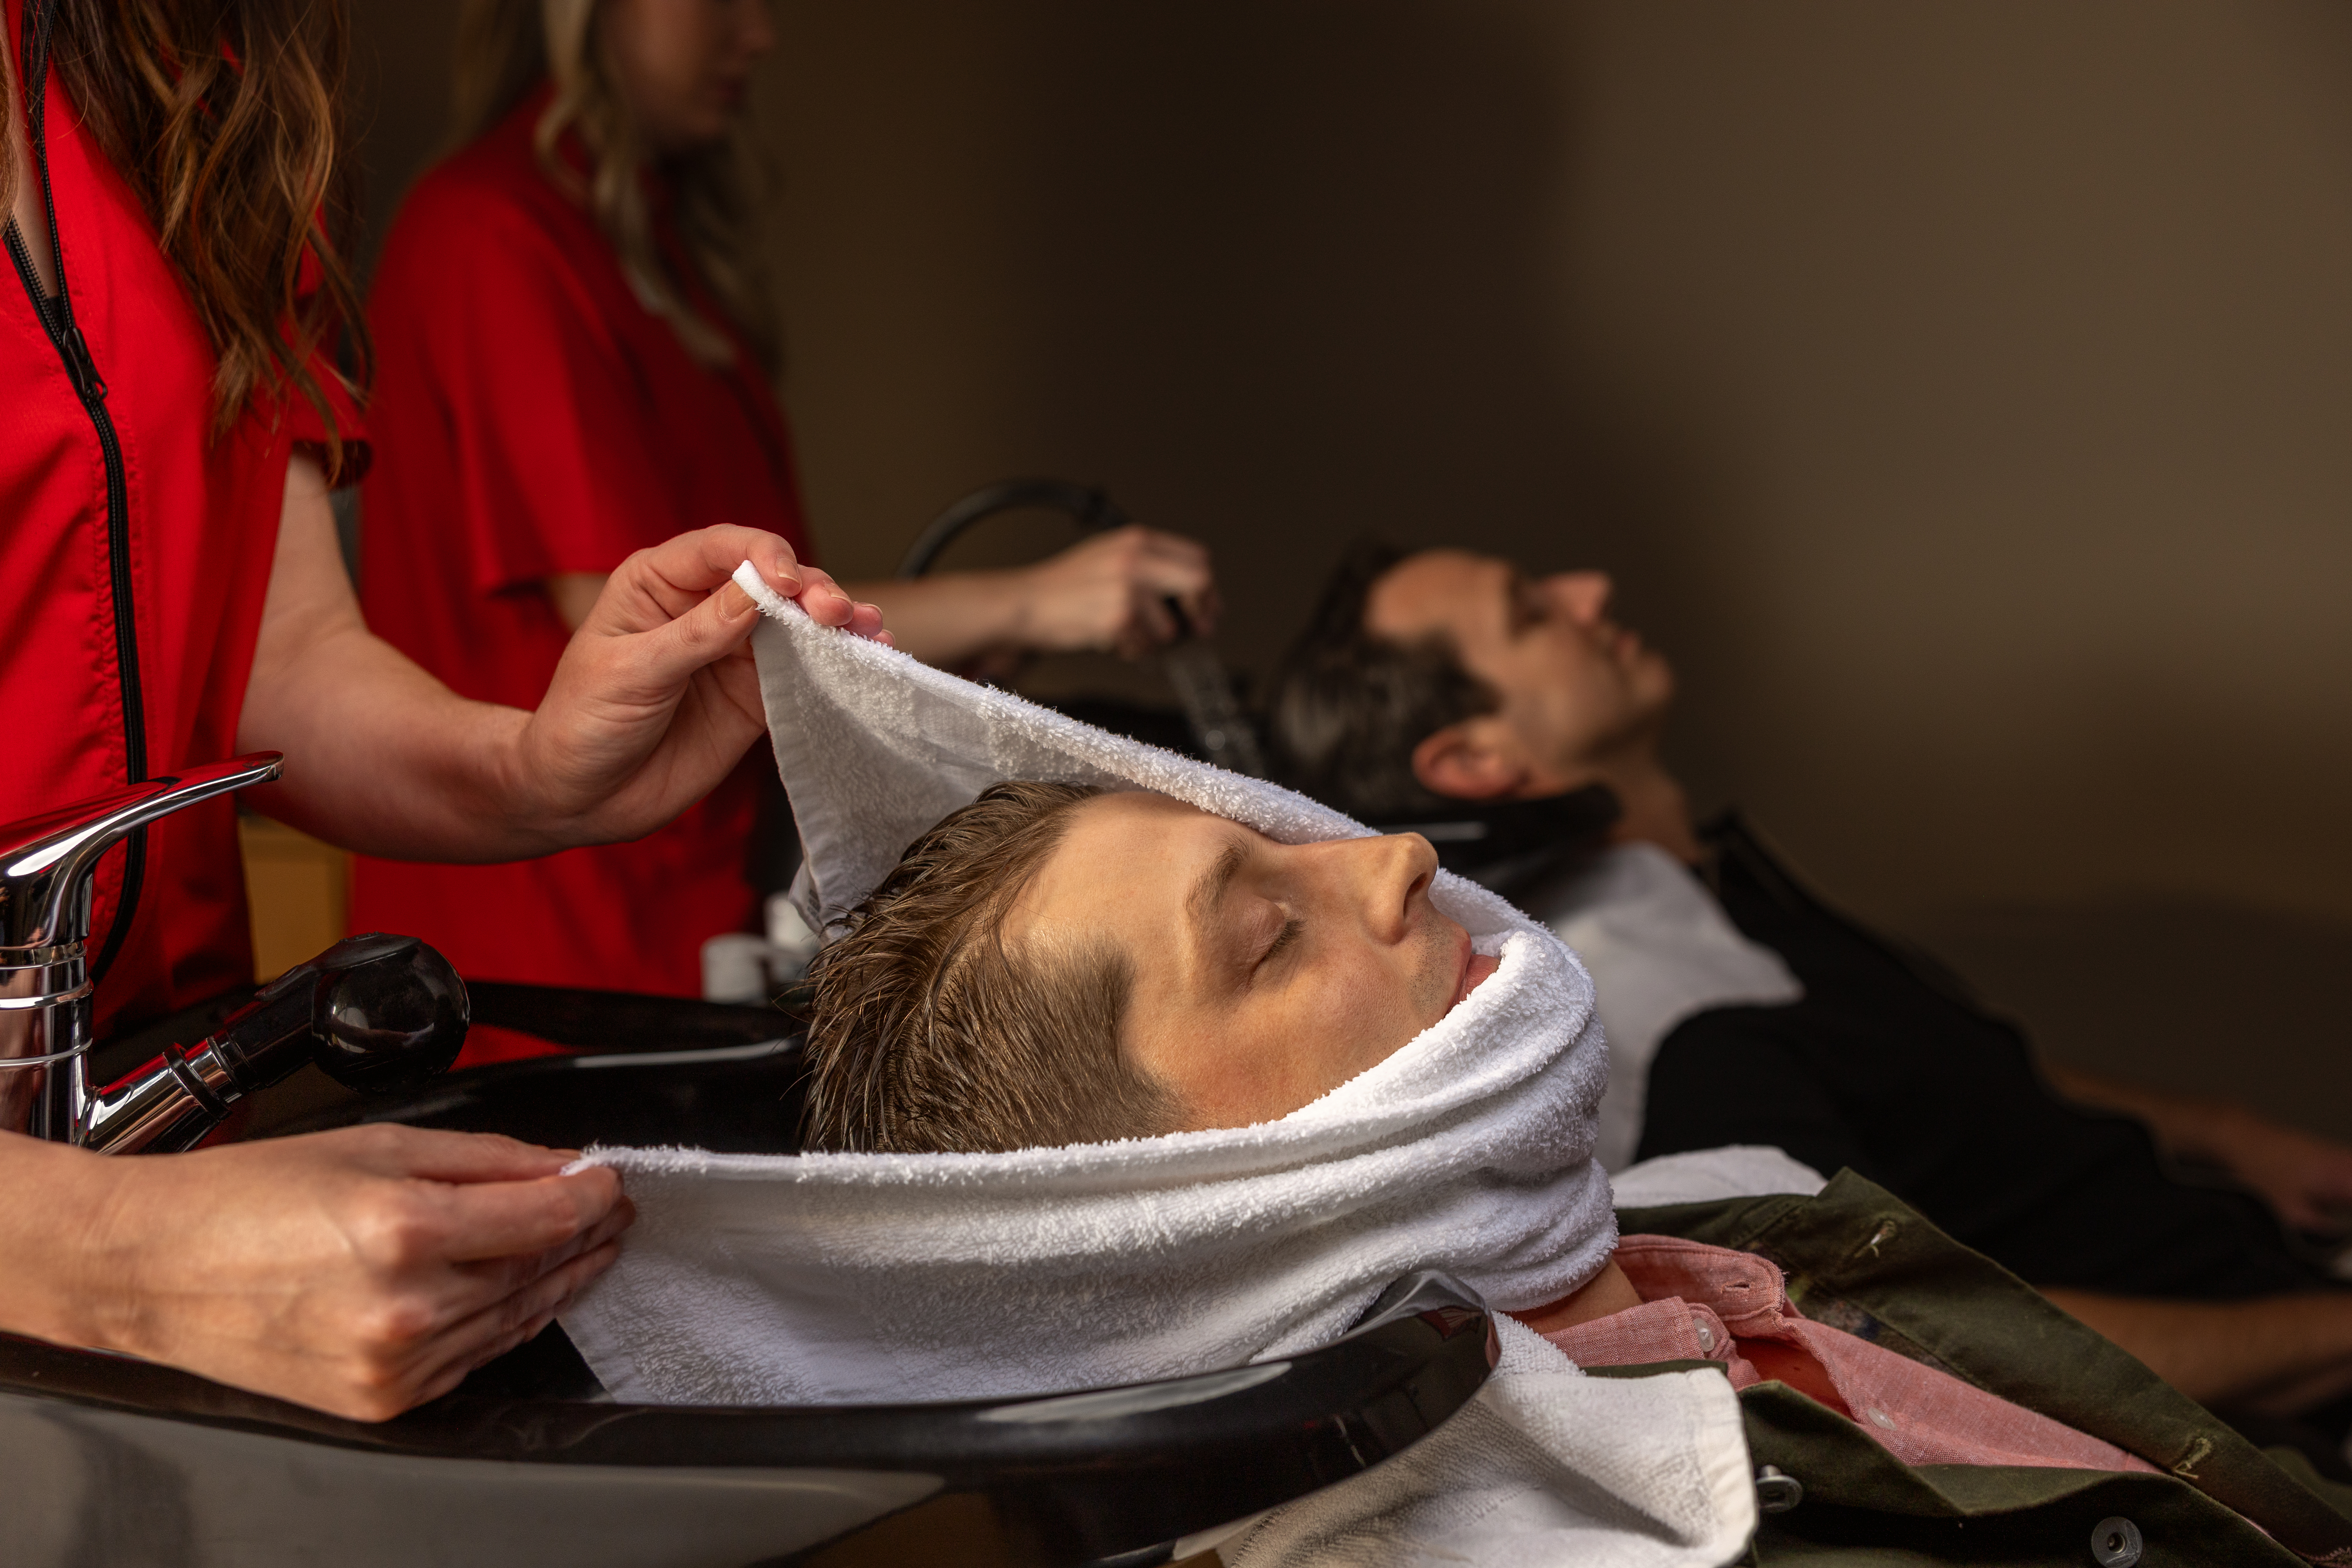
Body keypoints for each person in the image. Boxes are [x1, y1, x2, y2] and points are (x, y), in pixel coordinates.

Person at [0, 0, 881, 1421]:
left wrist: (526, 768)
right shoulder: (494, 228)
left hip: (176, 1150)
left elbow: (275, 656)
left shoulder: (193, 87)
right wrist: (117, 1257)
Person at [789, 780, 2352, 1557]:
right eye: (1269, 931)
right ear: (1161, 1217)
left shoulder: (1736, 1217)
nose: (1395, 855)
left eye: (1294, 836)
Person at [1262, 542, 2352, 1419]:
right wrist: (2327, 1337)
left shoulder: (1710, 893)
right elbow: (1918, 1346)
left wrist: (2225, 1132)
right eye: (1530, 612)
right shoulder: (1662, 1017)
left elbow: (1921, 1070)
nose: (1588, 589)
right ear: (1477, 762)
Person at [351, 0, 1214, 1020]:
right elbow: (662, 625)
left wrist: (943, 649)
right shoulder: (490, 236)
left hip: (700, 905)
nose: (757, 35)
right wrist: (1028, 600)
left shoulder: (649, 245)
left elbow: (771, 606)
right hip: (559, 946)